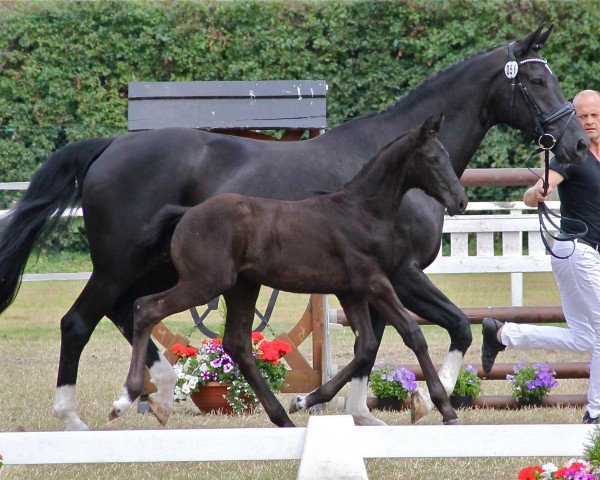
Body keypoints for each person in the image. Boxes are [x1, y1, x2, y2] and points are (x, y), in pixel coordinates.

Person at [481, 89, 600, 424]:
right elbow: (534, 194)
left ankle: (503, 334)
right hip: (577, 251)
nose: (589, 121)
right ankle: (595, 414)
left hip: (584, 255)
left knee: (584, 338)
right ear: (574, 118)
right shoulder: (571, 154)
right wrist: (538, 192)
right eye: (583, 115)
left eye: (595, 115)